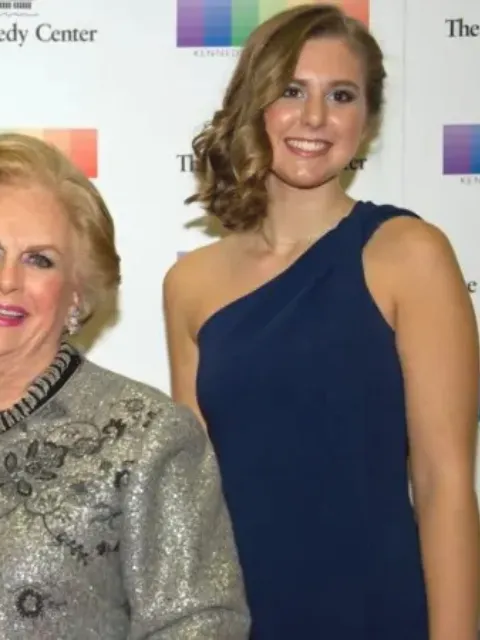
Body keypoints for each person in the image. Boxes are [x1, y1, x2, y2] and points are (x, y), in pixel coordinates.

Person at [0, 132, 250, 639]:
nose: (7, 280)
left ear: (77, 292)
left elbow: (200, 627)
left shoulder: (146, 435)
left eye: (40, 259)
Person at [164, 5, 479, 639]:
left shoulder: (408, 253)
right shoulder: (190, 283)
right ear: (255, 104)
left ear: (366, 119)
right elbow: (195, 505)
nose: (314, 117)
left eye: (341, 95)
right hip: (240, 617)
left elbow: (445, 482)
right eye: (290, 91)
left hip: (378, 611)